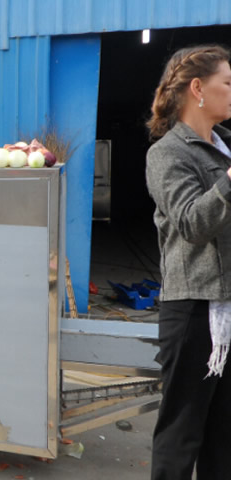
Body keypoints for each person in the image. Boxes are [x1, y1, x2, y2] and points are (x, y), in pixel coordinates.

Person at [145, 44, 231, 479]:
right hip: (194, 312)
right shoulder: (168, 154)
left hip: (227, 307)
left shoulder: (224, 147)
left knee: (224, 439)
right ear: (198, 89)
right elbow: (192, 223)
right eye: (228, 83)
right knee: (181, 438)